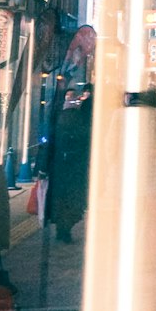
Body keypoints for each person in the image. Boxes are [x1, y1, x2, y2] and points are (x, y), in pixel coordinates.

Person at [48, 86, 93, 243]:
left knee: (60, 199)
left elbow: (50, 145)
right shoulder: (82, 120)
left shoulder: (57, 119)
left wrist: (43, 168)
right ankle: (65, 228)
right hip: (76, 168)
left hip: (60, 168)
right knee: (73, 199)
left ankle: (62, 227)